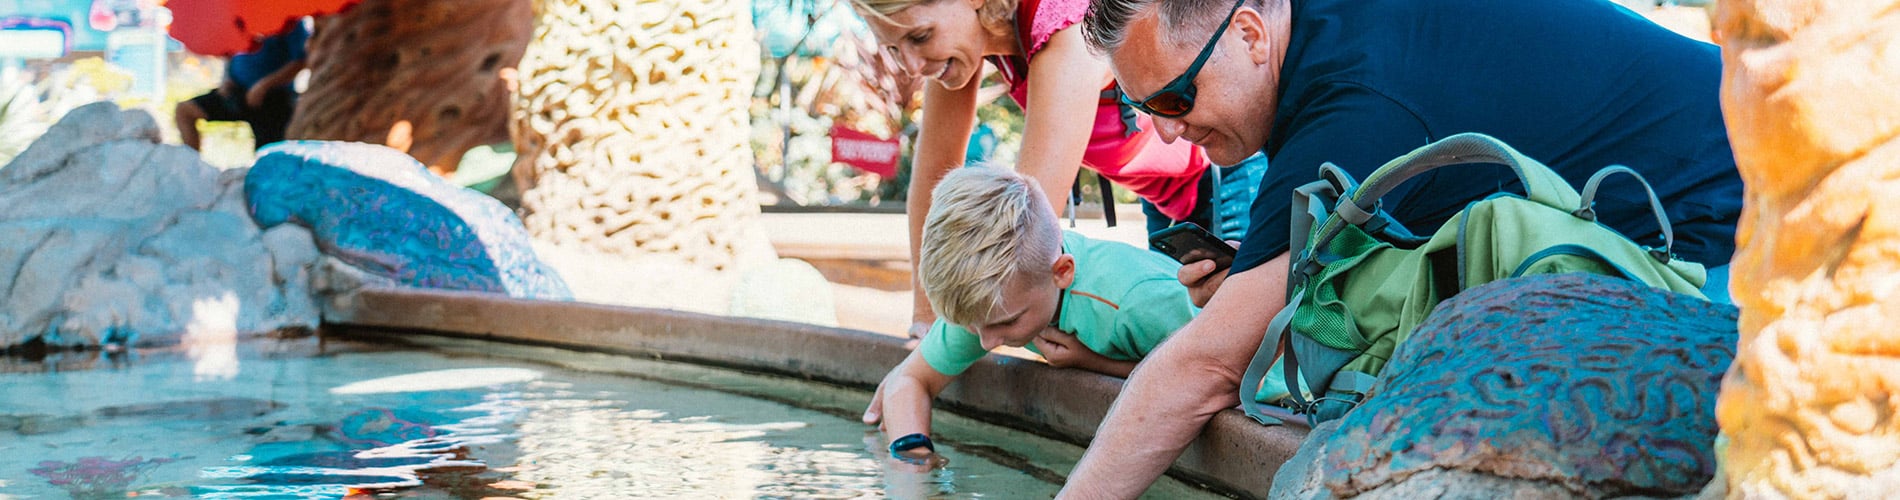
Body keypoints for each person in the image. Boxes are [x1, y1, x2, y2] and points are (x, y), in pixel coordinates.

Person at [1057, 0, 1745, 495]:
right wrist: (1258, 281)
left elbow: (1205, 368)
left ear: (1248, 32)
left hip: (1735, 233)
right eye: (1140, 109)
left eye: (1175, 99)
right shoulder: (1341, 33)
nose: (1167, 133)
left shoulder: (1355, 102)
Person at [849, 0, 1236, 346]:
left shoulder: (1064, 22)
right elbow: (934, 176)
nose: (912, 65)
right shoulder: (960, 50)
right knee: (1171, 339)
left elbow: (1020, 232)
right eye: (894, 49)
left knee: (1232, 341)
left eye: (920, 36)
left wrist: (932, 363)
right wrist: (926, 320)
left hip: (1223, 170)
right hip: (1164, 192)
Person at [860, 165, 1203, 463]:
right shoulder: (992, 301)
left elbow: (1230, 371)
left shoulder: (1136, 299)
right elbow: (908, 380)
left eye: (1006, 323)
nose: (987, 341)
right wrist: (915, 465)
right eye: (970, 325)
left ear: (1062, 272)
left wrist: (1096, 363)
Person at [175, 20, 311, 150]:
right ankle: (196, 168)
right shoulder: (243, 15)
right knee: (185, 111)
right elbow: (231, 51)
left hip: (273, 99)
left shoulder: (290, 20)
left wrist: (264, 86)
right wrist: (226, 78)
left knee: (268, 153)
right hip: (236, 91)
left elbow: (301, 61)